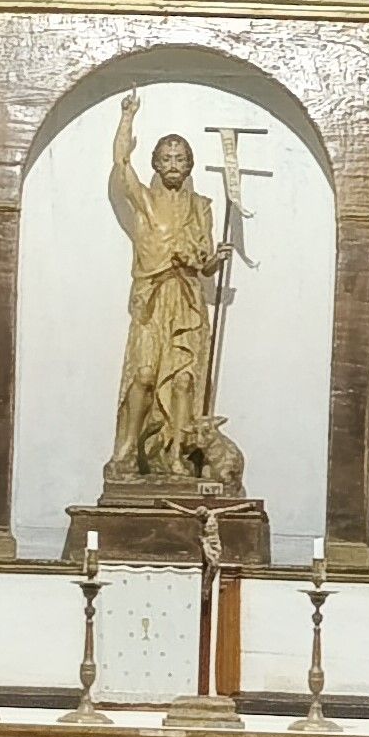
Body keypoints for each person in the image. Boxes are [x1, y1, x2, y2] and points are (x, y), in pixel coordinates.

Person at [107, 90, 231, 480]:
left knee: (184, 380)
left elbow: (204, 263)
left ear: (189, 164)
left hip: (188, 303)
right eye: (167, 158)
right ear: (156, 164)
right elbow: (120, 161)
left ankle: (177, 456)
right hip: (151, 301)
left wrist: (215, 260)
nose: (174, 164)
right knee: (143, 376)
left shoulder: (202, 207)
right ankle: (126, 453)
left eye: (180, 158)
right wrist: (127, 117)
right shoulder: (143, 202)